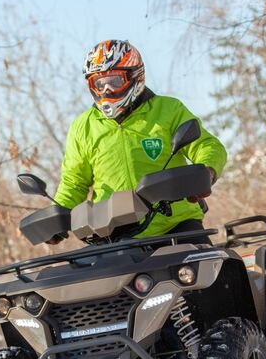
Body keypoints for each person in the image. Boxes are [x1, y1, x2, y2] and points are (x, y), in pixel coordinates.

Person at [49, 39, 227, 244]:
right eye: (99, 83)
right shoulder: (83, 127)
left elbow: (207, 145)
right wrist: (58, 217)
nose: (106, 90)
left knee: (210, 268)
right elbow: (75, 181)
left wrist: (206, 172)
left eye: (114, 81)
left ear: (135, 76)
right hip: (112, 234)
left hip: (174, 226)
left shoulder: (168, 110)